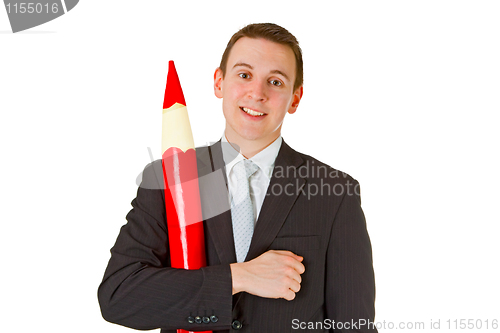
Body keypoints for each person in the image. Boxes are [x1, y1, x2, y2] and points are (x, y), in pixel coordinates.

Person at [98, 23, 377, 332]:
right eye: (244, 75)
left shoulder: (333, 192)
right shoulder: (168, 179)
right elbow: (119, 296)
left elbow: (354, 325)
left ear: (295, 99)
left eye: (275, 81)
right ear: (219, 82)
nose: (257, 93)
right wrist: (238, 277)